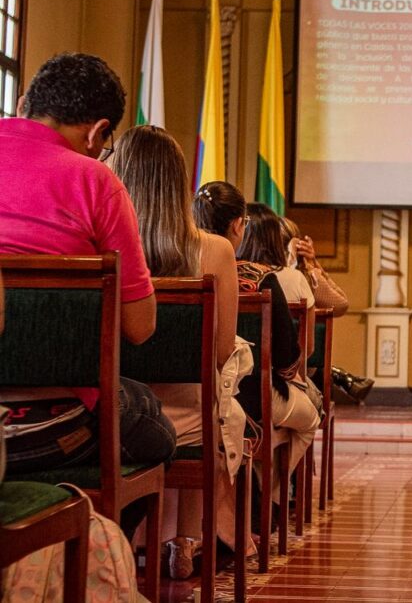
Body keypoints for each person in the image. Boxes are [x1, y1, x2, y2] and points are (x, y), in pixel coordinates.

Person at [0, 52, 176, 475]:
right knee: (153, 422)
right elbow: (139, 327)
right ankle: (104, 536)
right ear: (98, 132)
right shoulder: (95, 181)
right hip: (44, 429)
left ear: (25, 103)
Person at [107, 125, 250, 578]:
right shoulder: (216, 250)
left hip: (113, 411)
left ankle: (123, 544)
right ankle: (184, 539)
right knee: (208, 408)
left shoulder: (101, 247)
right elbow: (222, 350)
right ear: (179, 183)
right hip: (186, 420)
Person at [193, 182, 322, 503]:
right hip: (252, 395)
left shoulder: (179, 268)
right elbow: (287, 357)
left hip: (191, 393)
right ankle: (270, 500)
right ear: (237, 225)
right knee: (310, 419)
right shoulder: (262, 279)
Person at [280, 216, 350, 317]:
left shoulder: (255, 274)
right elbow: (341, 306)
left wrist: (312, 264)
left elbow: (341, 306)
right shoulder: (305, 275)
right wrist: (312, 265)